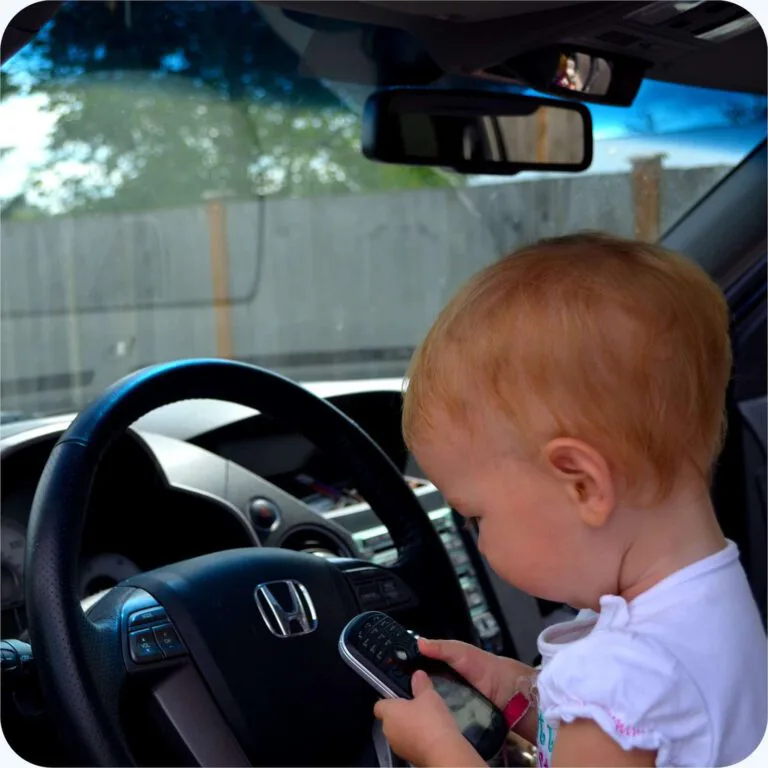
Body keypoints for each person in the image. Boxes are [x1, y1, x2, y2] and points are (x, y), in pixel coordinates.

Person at [374, 233, 767, 767]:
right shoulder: (708, 597)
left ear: (582, 484)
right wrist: (514, 687)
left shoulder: (618, 677)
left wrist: (439, 751)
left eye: (476, 516)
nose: (477, 538)